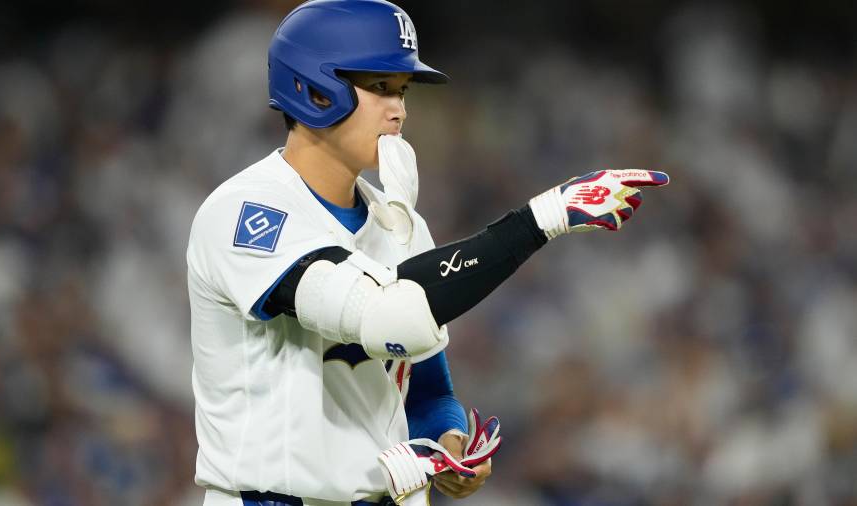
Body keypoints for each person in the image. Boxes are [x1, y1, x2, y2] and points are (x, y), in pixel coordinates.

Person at [186, 1, 669, 505]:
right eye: (379, 87)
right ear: (311, 89)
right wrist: (540, 220)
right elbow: (390, 320)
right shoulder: (247, 211)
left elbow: (430, 392)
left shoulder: (401, 224)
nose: (399, 109)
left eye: (401, 90)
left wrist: (449, 447)